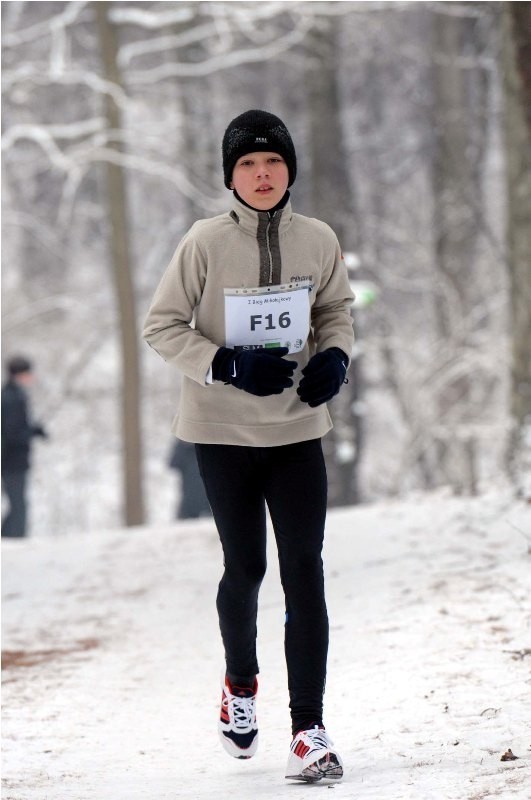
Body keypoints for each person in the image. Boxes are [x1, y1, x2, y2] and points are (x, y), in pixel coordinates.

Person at [143, 110, 354, 782]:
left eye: (272, 162)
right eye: (247, 165)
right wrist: (225, 363)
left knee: (305, 571)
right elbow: (161, 325)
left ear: (289, 170)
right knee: (247, 569)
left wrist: (337, 358)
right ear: (231, 176)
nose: (261, 175)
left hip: (296, 429)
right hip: (220, 432)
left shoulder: (318, 239)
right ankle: (239, 684)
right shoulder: (203, 244)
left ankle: (307, 731)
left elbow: (335, 311)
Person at [1, 356, 48, 538]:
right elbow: (12, 433)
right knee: (18, 505)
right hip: (12, 460)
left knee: (18, 504)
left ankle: (9, 540)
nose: (31, 377)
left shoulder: (14, 395)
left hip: (14, 459)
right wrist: (32, 432)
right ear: (18, 375)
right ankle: (12, 541)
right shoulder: (11, 398)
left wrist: (35, 429)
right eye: (28, 373)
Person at [168, 439, 211, 520]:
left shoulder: (207, 444)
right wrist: (184, 446)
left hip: (207, 495)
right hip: (189, 495)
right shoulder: (183, 445)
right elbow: (173, 463)